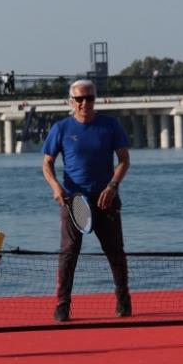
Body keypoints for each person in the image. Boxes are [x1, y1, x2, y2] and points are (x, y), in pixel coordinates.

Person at [41, 79, 132, 322]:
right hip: (73, 201)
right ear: (71, 102)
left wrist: (113, 185)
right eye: (79, 99)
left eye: (89, 98)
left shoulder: (110, 126)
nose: (84, 103)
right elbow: (47, 163)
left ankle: (123, 301)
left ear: (95, 99)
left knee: (115, 253)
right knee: (69, 253)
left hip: (106, 200)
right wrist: (56, 187)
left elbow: (124, 160)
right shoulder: (61, 129)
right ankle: (62, 305)